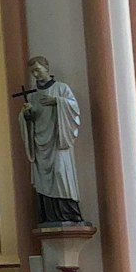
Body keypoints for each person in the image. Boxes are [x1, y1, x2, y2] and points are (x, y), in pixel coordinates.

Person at [18, 55, 84, 225]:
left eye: (38, 70)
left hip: (57, 140)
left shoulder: (61, 89)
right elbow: (28, 118)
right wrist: (26, 115)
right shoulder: (32, 95)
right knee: (42, 179)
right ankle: (49, 215)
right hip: (40, 143)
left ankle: (68, 214)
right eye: (33, 72)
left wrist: (57, 102)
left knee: (61, 173)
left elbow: (74, 108)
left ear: (47, 68)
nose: (36, 75)